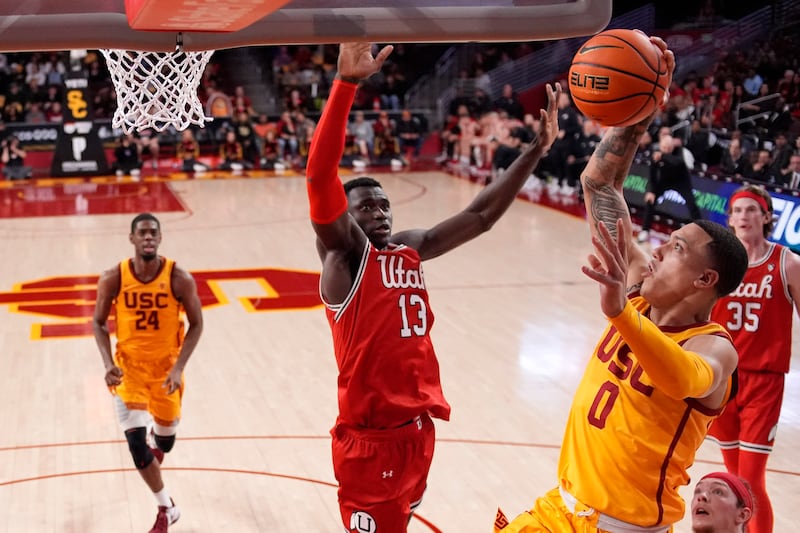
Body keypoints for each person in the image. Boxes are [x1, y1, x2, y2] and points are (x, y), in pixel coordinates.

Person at [495, 35, 749, 533]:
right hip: (560, 510)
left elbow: (682, 378)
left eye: (675, 247)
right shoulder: (635, 284)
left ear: (705, 278)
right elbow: (599, 185)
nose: (656, 248)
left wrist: (619, 313)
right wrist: (643, 109)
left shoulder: (715, 349)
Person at [305, 42, 559, 533]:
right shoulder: (346, 258)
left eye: (383, 205)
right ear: (345, 217)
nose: (379, 212)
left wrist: (534, 151)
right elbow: (319, 175)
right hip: (371, 440)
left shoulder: (406, 249)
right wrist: (346, 85)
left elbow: (480, 216)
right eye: (365, 207)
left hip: (419, 432)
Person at [92, 213, 203, 533]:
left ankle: (159, 439)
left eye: (154, 233)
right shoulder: (113, 276)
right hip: (129, 372)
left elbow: (197, 324)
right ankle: (166, 507)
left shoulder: (179, 277)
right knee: (137, 447)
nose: (148, 238)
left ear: (160, 238)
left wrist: (180, 367)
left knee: (164, 444)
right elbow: (98, 323)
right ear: (132, 239)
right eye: (142, 233)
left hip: (166, 373)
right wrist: (107, 362)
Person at [706, 184, 800, 533]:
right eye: (738, 211)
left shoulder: (786, 262)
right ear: (729, 219)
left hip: (764, 382)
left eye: (751, 210)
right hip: (722, 380)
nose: (744, 216)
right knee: (733, 478)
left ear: (766, 217)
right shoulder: (720, 263)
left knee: (750, 478)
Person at [638, 133, 703, 243]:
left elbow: (677, 162)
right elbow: (652, 176)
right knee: (650, 200)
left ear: (672, 147)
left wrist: (663, 156)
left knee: (692, 205)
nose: (666, 150)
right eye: (664, 148)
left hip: (681, 182)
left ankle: (701, 230)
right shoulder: (656, 156)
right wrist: (650, 191)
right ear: (660, 147)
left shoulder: (679, 152)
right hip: (665, 181)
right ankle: (645, 230)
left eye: (668, 148)